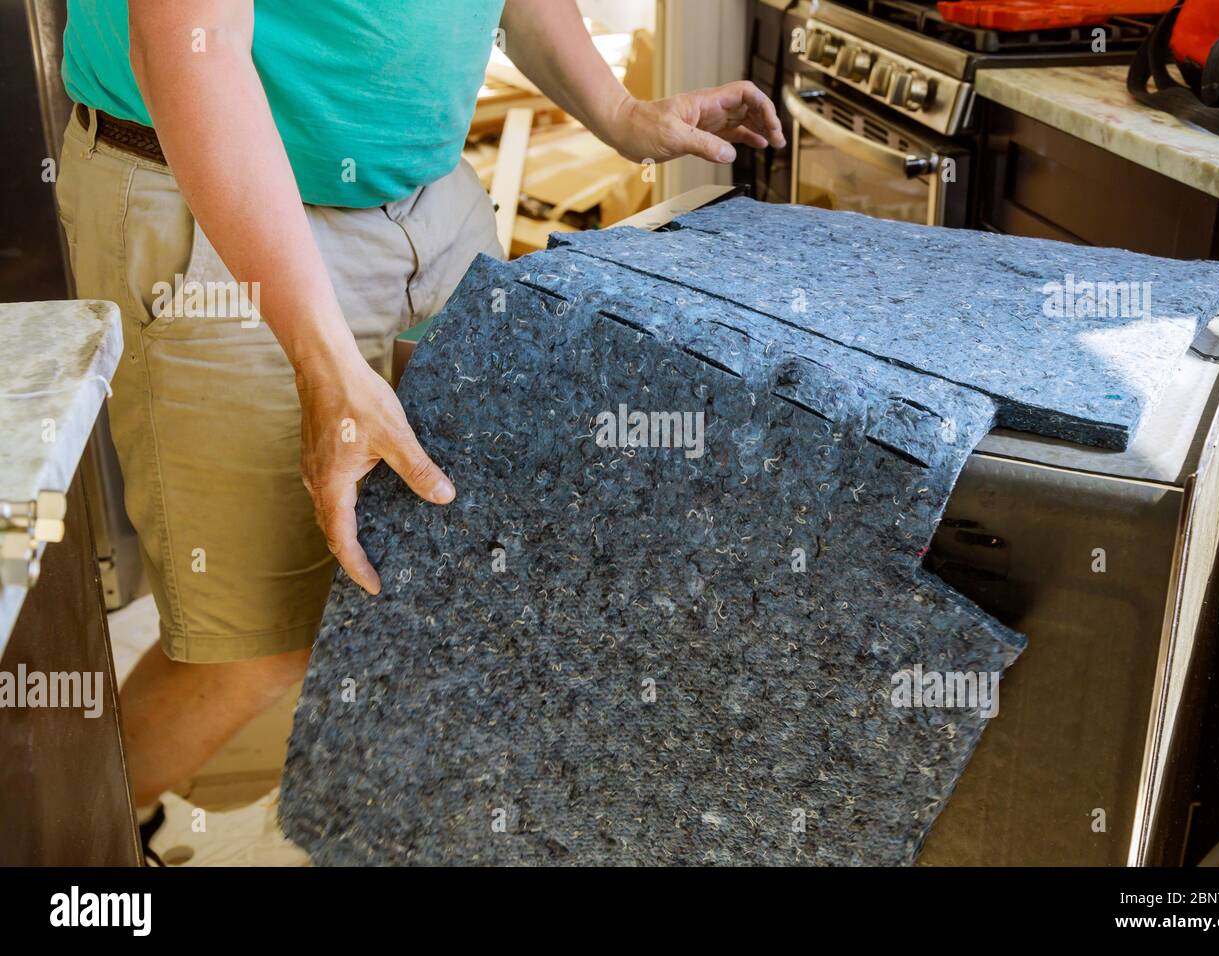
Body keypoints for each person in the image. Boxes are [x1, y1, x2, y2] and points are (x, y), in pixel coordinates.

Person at [57, 0, 785, 828]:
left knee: (448, 577)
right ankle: (60, 842)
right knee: (252, 649)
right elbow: (189, 45)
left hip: (431, 205)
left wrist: (619, 112)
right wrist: (321, 358)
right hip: (219, 212)